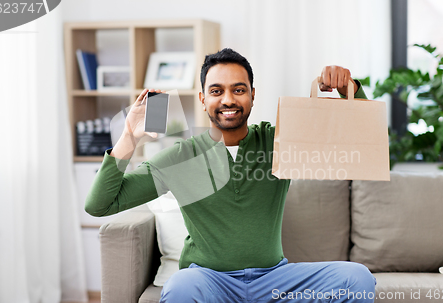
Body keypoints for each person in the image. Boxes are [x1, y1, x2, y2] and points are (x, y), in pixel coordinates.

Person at [85, 48, 376, 303]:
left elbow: (364, 138)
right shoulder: (181, 156)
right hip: (210, 282)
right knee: (181, 286)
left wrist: (347, 88)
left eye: (238, 90)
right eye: (216, 91)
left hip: (274, 280)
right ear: (202, 98)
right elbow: (99, 205)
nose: (228, 99)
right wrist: (128, 138)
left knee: (357, 278)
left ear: (252, 95)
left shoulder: (279, 142)